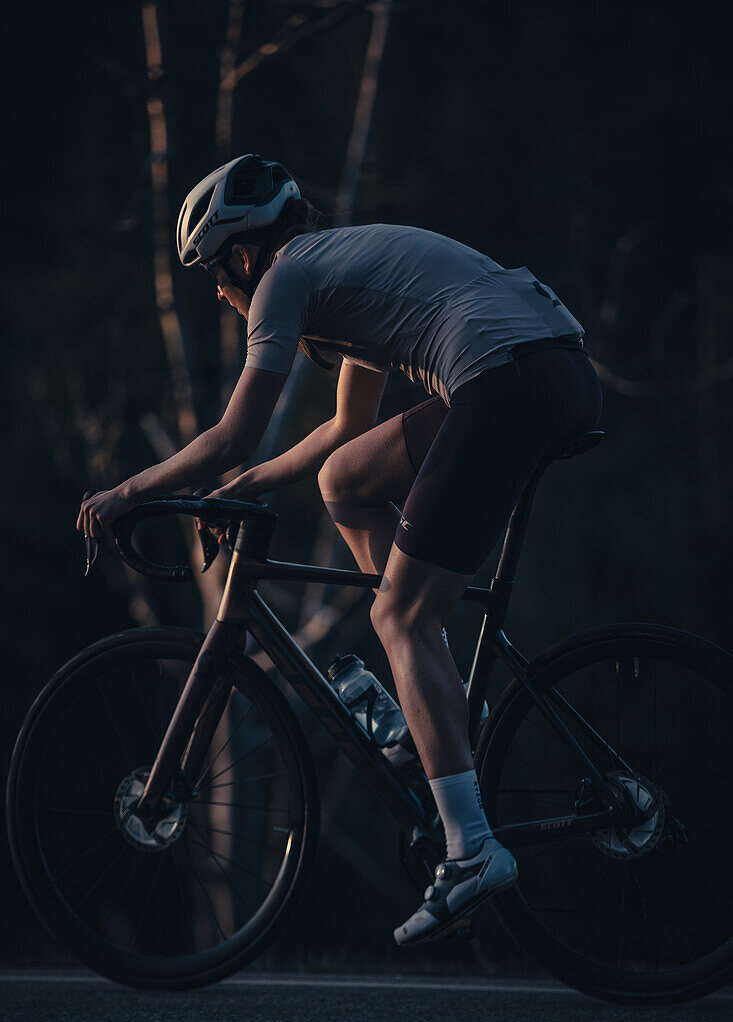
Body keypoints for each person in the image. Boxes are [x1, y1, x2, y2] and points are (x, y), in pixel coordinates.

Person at [77, 153, 603, 945]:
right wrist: (243, 488)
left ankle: (469, 851)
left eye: (217, 278)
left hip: (506, 379)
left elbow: (232, 432)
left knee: (399, 616)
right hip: (548, 368)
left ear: (244, 254)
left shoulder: (286, 279)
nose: (222, 297)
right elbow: (343, 432)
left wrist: (129, 491)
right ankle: (448, 703)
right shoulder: (342, 271)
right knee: (347, 480)